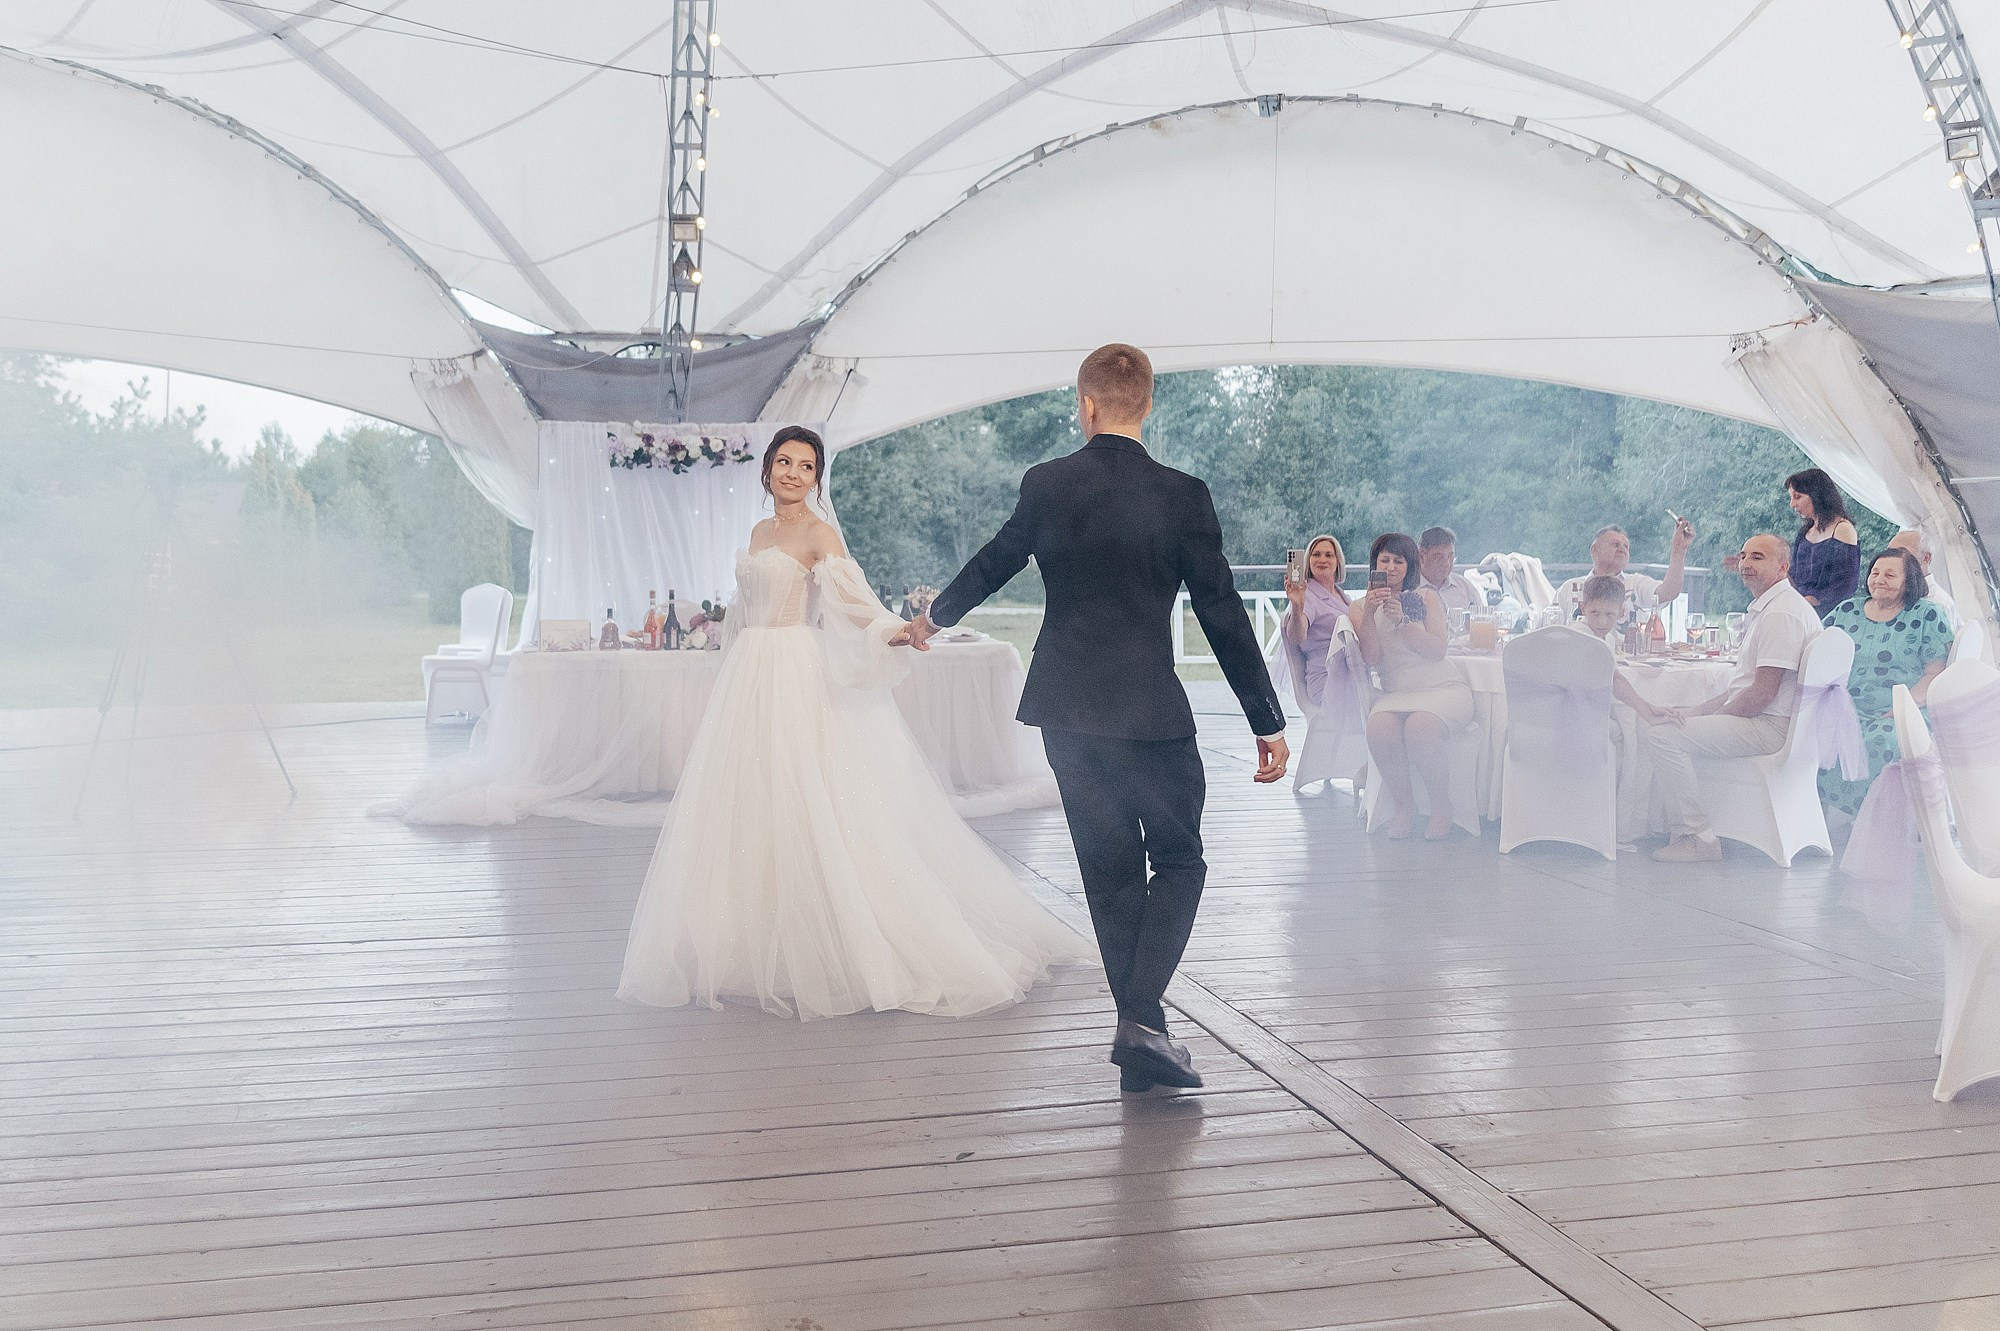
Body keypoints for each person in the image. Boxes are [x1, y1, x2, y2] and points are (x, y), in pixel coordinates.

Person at [905, 343, 1288, 1095]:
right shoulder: (1185, 493)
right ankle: (1141, 1022)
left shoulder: (1047, 484)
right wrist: (1265, 719)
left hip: (1069, 710)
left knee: (1109, 872)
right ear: (1148, 406)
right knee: (1179, 860)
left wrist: (933, 618)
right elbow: (1221, 612)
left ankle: (1141, 1031)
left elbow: (995, 560)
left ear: (1084, 405)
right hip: (1151, 708)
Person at [618, 426, 1093, 1020]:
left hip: (794, 668)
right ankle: (756, 934)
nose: (794, 473)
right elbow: (745, 609)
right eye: (785, 462)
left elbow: (851, 602)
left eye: (807, 466)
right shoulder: (761, 530)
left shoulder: (821, 534)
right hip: (750, 672)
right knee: (753, 800)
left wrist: (891, 629)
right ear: (766, 470)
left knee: (810, 797)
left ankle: (838, 935)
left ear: (818, 479)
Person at [1643, 534, 1821, 863]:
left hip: (1769, 726)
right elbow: (1742, 688)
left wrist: (1716, 716)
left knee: (1661, 737)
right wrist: (1694, 712)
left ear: (1782, 567)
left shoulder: (1781, 614)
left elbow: (1761, 695)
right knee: (1672, 722)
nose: (1745, 564)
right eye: (1743, 557)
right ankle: (1673, 827)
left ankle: (1699, 839)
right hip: (1770, 720)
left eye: (1757, 557)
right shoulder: (1776, 606)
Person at [1355, 531, 1475, 841]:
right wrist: (1369, 614)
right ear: (1374, 564)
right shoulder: (1359, 607)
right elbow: (1371, 658)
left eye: (1399, 561)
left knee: (1420, 728)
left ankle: (1441, 806)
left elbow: (1437, 651)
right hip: (1396, 693)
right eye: (1385, 560)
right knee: (1379, 729)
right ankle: (1403, 806)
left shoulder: (1425, 597)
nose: (1392, 567)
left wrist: (1404, 622)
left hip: (1441, 688)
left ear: (1410, 566)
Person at [1818, 547, 1954, 816]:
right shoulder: (1847, 610)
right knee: (1808, 738)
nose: (1879, 579)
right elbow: (1816, 650)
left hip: (1903, 708)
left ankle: (1874, 818)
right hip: (1845, 707)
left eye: (1890, 575)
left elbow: (1935, 672)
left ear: (1909, 581)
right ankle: (1820, 816)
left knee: (1881, 741)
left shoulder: (1926, 614)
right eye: (1875, 572)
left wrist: (1902, 707)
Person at [1554, 519, 1695, 624]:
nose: (1622, 549)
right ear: (1594, 549)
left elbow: (1669, 592)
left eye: (1626, 546)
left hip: (1631, 661)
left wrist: (1679, 550)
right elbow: (1551, 630)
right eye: (1615, 545)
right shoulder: (1569, 588)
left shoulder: (1636, 583)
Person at [1281, 534, 1352, 707]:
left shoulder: (1343, 596)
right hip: (1326, 679)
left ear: (1338, 562)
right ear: (1308, 561)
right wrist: (1297, 606)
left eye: (1329, 555)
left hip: (1350, 673)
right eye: (1316, 554)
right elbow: (1297, 636)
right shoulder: (1308, 596)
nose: (1322, 560)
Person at [1786, 467, 1860, 621]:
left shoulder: (1843, 529)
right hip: (1801, 611)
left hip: (1831, 615)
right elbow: (1793, 576)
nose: (1792, 504)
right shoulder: (1804, 533)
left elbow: (1845, 584)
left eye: (1797, 497)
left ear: (1816, 495)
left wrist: (1811, 601)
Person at [1888, 529, 1961, 631]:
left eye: (1900, 552)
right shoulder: (1890, 595)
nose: (1890, 558)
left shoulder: (1937, 604)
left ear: (1926, 558)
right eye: (1888, 552)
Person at [1416, 527, 1483, 614]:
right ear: (1421, 557)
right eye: (1439, 558)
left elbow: (1482, 619)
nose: (1446, 564)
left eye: (1450, 557)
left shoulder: (1465, 587)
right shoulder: (1410, 589)